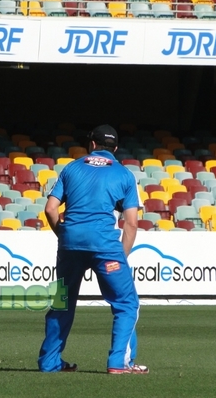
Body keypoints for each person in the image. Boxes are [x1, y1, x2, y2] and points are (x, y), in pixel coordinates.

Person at [38, 125, 148, 375]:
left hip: (70, 245)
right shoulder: (124, 174)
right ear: (116, 149)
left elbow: (50, 209)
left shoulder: (71, 168)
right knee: (126, 304)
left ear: (92, 145)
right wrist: (121, 256)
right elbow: (131, 222)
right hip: (105, 247)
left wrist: (65, 236)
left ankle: (49, 363)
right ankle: (118, 363)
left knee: (62, 302)